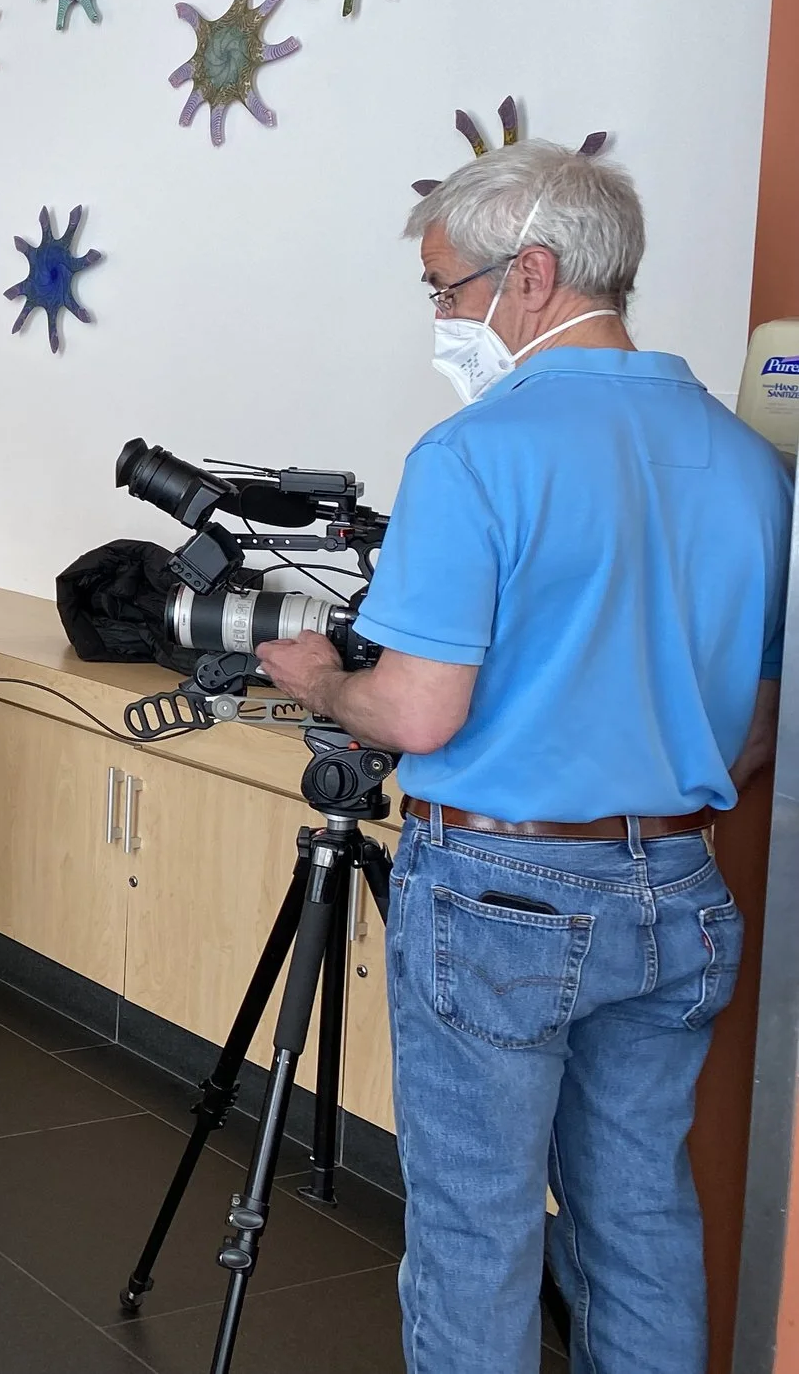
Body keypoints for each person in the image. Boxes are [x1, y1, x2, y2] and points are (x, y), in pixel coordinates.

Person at [255, 140, 789, 1374]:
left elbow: (417, 714)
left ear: (531, 274)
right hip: (681, 892)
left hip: (501, 901)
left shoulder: (473, 453)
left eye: (447, 289)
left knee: (475, 1232)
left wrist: (321, 680)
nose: (444, 318)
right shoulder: (752, 469)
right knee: (638, 1221)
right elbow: (757, 731)